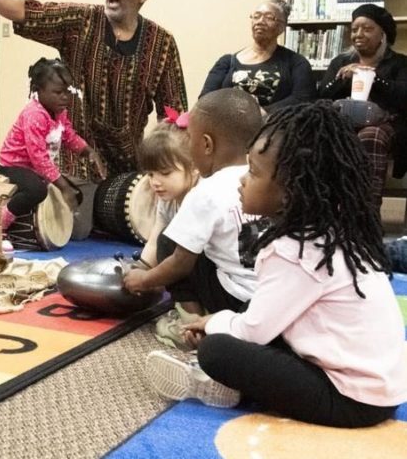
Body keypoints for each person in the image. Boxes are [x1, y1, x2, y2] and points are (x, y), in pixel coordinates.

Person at [147, 102, 407, 426]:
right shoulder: (328, 234)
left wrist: (214, 323)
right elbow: (268, 316)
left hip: (351, 401)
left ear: (290, 190)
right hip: (380, 391)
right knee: (243, 331)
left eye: (253, 172)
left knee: (216, 351)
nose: (242, 180)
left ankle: (218, 382)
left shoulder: (296, 252)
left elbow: (253, 331)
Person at [0, 0, 187, 180]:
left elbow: (173, 112)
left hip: (127, 164)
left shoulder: (161, 43)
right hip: (74, 157)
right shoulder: (81, 22)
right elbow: (29, 11)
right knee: (72, 217)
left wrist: (167, 166)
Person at [123, 89, 264, 349]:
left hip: (235, 300)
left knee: (170, 245)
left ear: (207, 144)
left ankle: (191, 324)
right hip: (268, 301)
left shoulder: (206, 192)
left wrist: (144, 279)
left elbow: (180, 264)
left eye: (191, 139)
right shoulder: (263, 178)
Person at [0, 58, 106, 232]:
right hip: (12, 166)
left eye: (67, 92)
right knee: (37, 191)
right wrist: (62, 186)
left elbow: (69, 135)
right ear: (38, 91)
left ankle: (49, 229)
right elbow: (38, 157)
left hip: (34, 168)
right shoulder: (34, 115)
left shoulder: (58, 111)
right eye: (57, 92)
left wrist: (88, 151)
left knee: (75, 194)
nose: (64, 97)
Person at [317, 3, 407, 207]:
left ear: (382, 34)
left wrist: (372, 77)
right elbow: (321, 97)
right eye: (355, 28)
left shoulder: (400, 63)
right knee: (320, 133)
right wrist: (344, 78)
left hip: (386, 126)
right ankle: (326, 212)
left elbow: (403, 96)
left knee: (370, 136)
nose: (358, 34)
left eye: (367, 29)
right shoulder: (341, 62)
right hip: (343, 123)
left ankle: (365, 213)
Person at [199, 0, 315, 111]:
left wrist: (262, 114)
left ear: (282, 27)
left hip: (273, 126)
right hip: (227, 126)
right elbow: (205, 100)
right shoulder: (226, 62)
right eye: (256, 16)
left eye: (269, 17)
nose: (260, 21)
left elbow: (303, 99)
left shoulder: (296, 63)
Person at [135, 115, 198, 268]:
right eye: (150, 174)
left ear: (195, 167)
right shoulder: (167, 199)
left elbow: (184, 257)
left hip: (216, 273)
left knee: (167, 243)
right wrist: (140, 269)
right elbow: (153, 243)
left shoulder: (201, 199)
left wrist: (148, 280)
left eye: (165, 173)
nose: (155, 182)